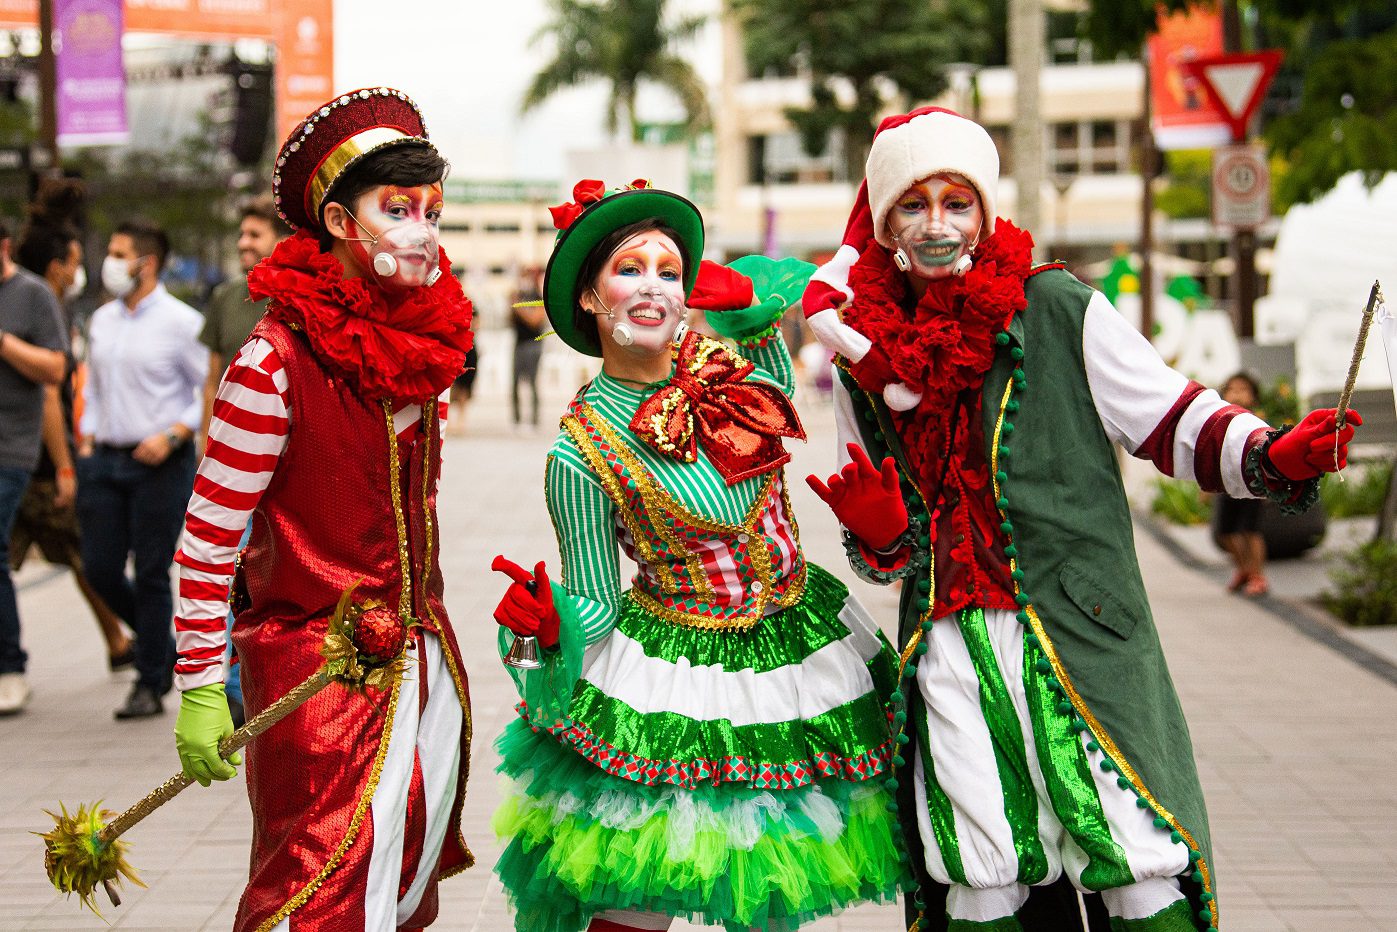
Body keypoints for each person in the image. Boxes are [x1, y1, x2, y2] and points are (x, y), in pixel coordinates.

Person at [800, 107, 1360, 932]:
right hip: (951, 646)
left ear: (985, 212)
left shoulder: (1056, 308)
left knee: (1136, 857)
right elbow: (884, 555)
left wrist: (1271, 456)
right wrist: (879, 536)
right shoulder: (862, 362)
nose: (936, 225)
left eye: (957, 202)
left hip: (1081, 630)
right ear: (884, 225)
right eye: (912, 206)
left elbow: (1170, 417)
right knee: (975, 869)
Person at [489, 179, 907, 932]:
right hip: (675, 675)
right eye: (629, 268)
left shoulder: (730, 372)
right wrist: (539, 628)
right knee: (639, 897)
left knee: (779, 883)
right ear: (589, 299)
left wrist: (881, 535)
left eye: (668, 270)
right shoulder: (579, 453)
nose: (652, 285)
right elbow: (594, 600)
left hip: (802, 648)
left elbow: (785, 381)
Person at [170, 87, 475, 930]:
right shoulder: (271, 365)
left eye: (430, 210)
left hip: (421, 662)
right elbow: (207, 538)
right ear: (341, 222)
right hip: (315, 680)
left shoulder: (422, 355)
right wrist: (199, 682)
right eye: (398, 208)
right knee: (312, 897)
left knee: (406, 885)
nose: (422, 228)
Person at [77, 219, 205, 720]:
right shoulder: (103, 319)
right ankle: (162, 645)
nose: (109, 262)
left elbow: (208, 388)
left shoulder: (181, 322)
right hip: (105, 460)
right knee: (99, 568)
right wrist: (87, 437)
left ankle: (150, 682)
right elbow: (94, 386)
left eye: (117, 252)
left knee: (151, 571)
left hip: (159, 463)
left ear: (145, 263)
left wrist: (175, 432)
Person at [11, 180, 134, 673]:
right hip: (37, 460)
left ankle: (120, 641)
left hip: (33, 455)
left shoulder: (38, 303)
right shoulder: (43, 307)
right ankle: (133, 640)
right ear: (58, 265)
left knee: (84, 558)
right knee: (89, 558)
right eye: (77, 259)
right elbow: (47, 396)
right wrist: (65, 465)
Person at [198, 194, 290, 727]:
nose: (243, 244)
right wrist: (208, 448)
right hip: (233, 461)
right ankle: (231, 686)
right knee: (233, 569)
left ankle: (254, 681)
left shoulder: (295, 300)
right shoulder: (227, 299)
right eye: (241, 236)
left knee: (268, 574)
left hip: (285, 470)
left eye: (254, 235)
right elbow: (212, 379)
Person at [0, 217, 69, 715]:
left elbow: (55, 370)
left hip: (11, 449)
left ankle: (10, 666)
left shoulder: (32, 295)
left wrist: (3, 342)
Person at [1216, 373, 1270, 597]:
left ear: (1253, 397)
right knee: (1225, 532)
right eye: (1232, 389)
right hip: (1228, 484)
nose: (1236, 394)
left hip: (1252, 484)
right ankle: (1244, 570)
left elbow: (1267, 452)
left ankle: (1257, 575)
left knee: (1250, 531)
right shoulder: (1220, 422)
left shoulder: (1257, 422)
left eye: (1243, 390)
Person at [510, 266, 546, 429]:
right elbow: (510, 320)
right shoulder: (518, 295)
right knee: (515, 383)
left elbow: (535, 320)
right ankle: (516, 419)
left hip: (533, 344)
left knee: (532, 382)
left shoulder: (536, 296)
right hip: (518, 343)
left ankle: (534, 419)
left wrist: (518, 308)